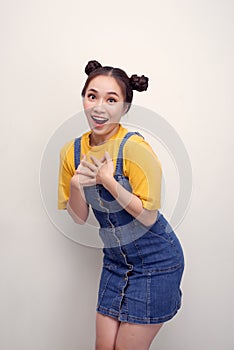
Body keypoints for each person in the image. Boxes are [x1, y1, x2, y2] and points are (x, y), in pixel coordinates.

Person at [57, 60, 185, 350]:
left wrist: (108, 181)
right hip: (116, 263)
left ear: (124, 107)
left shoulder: (134, 148)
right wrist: (77, 186)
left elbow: (149, 218)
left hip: (157, 262)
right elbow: (79, 218)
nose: (99, 107)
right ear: (84, 99)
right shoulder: (72, 152)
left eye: (111, 99)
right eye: (93, 96)